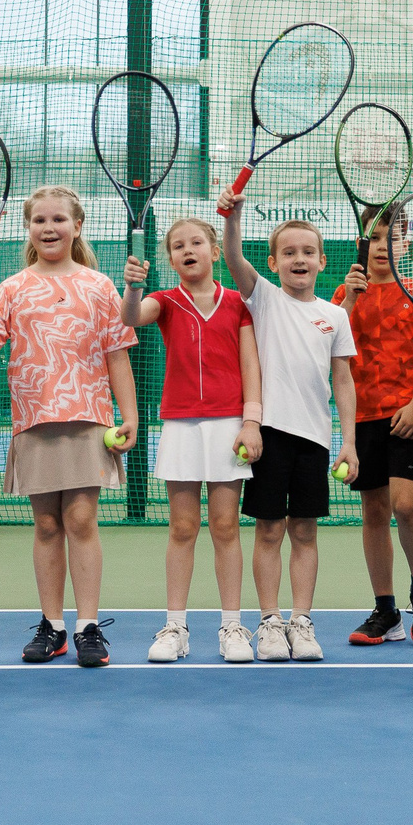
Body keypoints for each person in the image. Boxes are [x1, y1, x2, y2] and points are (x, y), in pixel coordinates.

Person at [0, 185, 140, 666]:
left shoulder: (100, 286)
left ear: (77, 226)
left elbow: (117, 358)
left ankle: (89, 627)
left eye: (58, 220)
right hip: (33, 420)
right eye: (39, 221)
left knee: (81, 520)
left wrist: (129, 415)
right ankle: (52, 627)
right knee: (47, 524)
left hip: (89, 419)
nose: (49, 228)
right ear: (28, 228)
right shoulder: (12, 288)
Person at [214, 186, 357, 662]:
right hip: (269, 436)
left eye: (308, 252)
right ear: (273, 262)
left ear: (321, 261)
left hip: (315, 440)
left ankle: (302, 621)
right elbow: (232, 258)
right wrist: (231, 219)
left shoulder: (335, 315)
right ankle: (270, 623)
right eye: (289, 252)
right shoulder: (265, 299)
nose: (300, 258)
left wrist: (349, 443)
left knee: (306, 533)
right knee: (269, 531)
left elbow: (343, 381)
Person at [122, 217, 263, 663]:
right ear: (170, 260)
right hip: (180, 425)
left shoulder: (239, 303)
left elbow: (251, 367)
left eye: (197, 242)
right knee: (182, 528)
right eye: (178, 246)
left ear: (215, 251)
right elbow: (130, 319)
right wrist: (132, 287)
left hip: (228, 424)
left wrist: (252, 421)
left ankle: (232, 626)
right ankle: (175, 627)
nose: (188, 250)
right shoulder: (163, 301)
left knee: (225, 527)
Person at [334, 210, 413, 647]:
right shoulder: (345, 294)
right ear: (360, 245)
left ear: (405, 244)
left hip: (406, 417)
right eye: (372, 238)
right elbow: (325, 348)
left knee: (405, 504)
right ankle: (386, 609)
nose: (380, 246)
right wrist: (348, 302)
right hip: (361, 420)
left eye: (390, 238)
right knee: (374, 512)